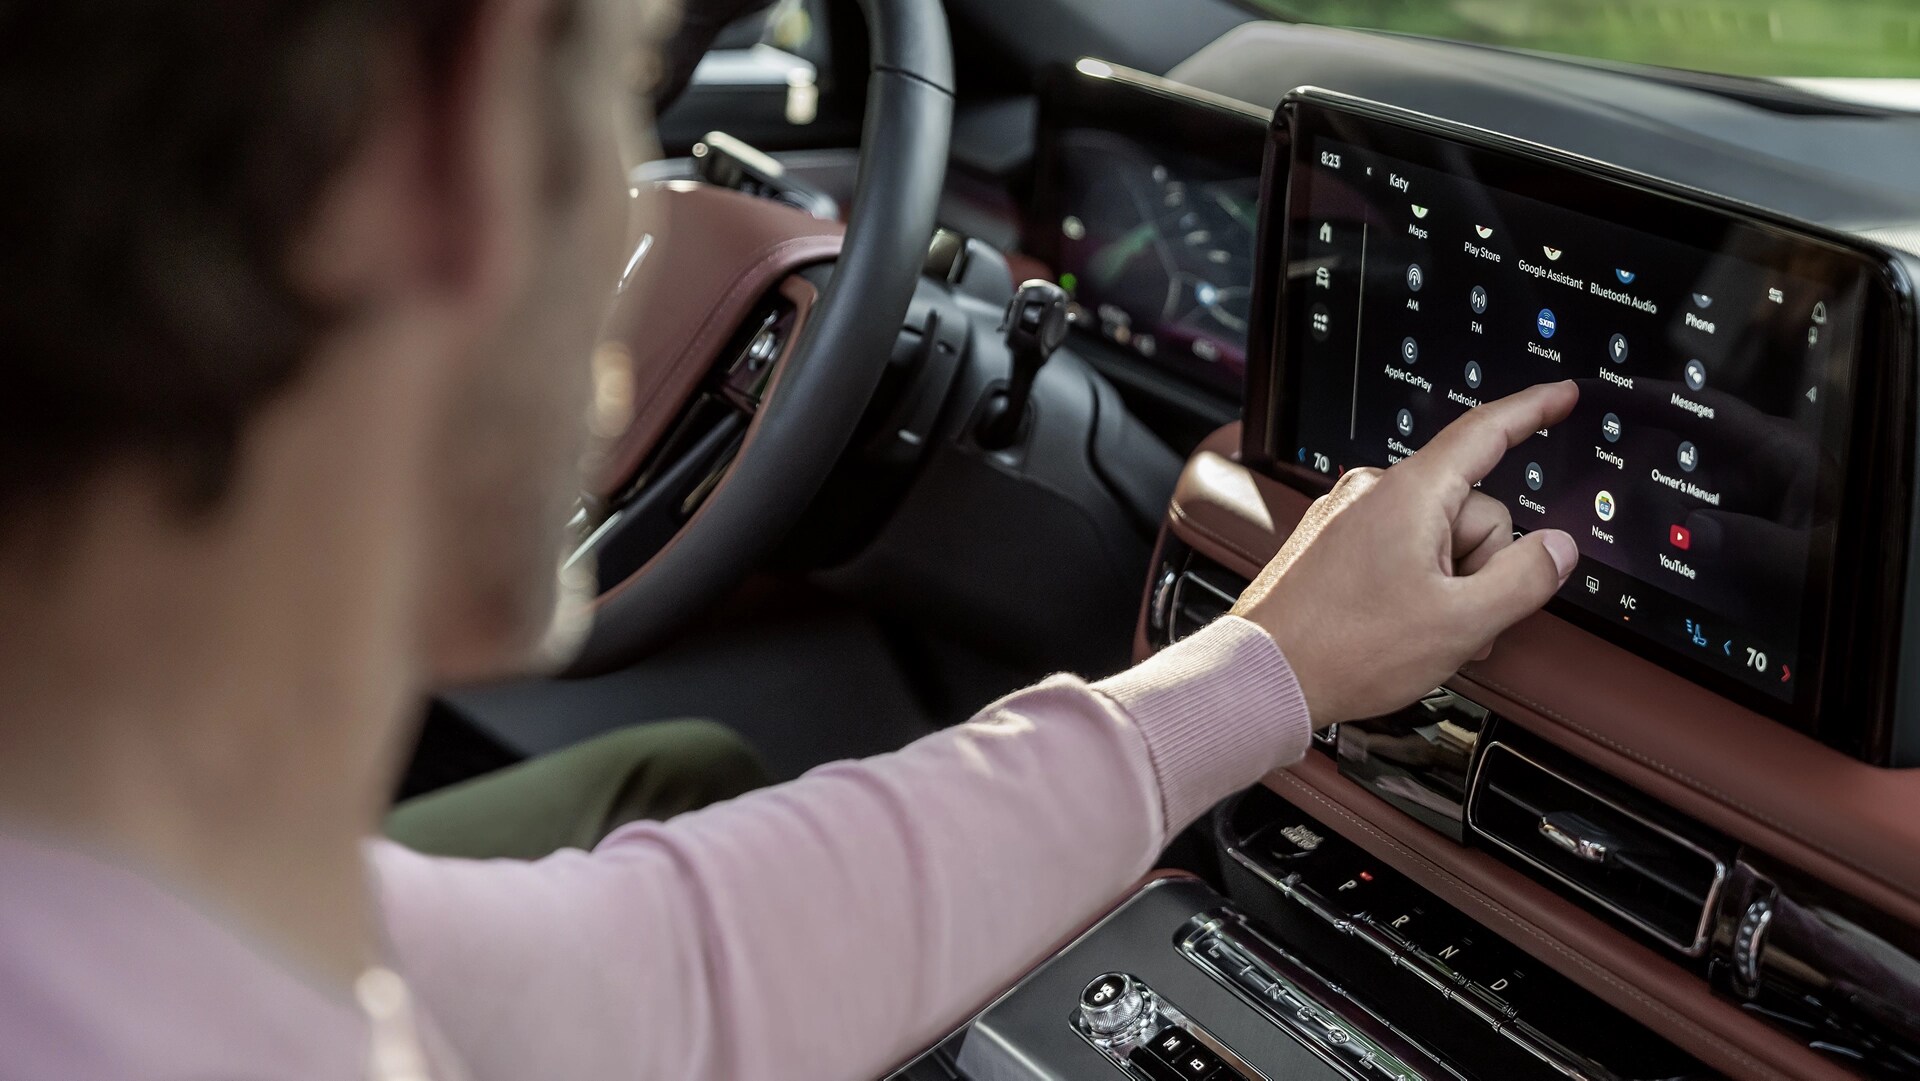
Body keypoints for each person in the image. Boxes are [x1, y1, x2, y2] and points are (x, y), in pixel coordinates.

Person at [0, 2, 1582, 1079]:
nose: (639, 227)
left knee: (676, 765)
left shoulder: (186, 918)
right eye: (616, 112)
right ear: (450, 146)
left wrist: (1258, 669)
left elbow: (661, 975)